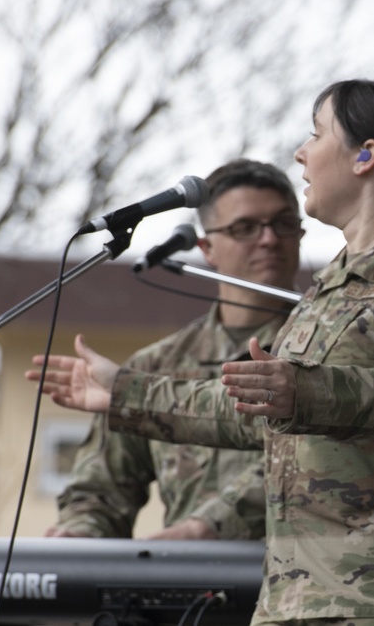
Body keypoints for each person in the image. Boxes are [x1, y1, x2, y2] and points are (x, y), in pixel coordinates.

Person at [97, 79, 374, 624]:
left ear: (366, 155)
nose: (301, 152)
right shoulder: (332, 282)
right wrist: (123, 394)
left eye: (316, 134)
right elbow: (266, 411)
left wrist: (306, 390)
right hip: (297, 597)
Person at [25, 159, 303, 540]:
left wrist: (203, 529)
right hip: (189, 587)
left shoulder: (328, 346)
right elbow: (99, 490)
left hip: (304, 584)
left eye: (284, 224)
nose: (269, 239)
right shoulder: (159, 366)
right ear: (207, 248)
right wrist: (80, 534)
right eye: (246, 228)